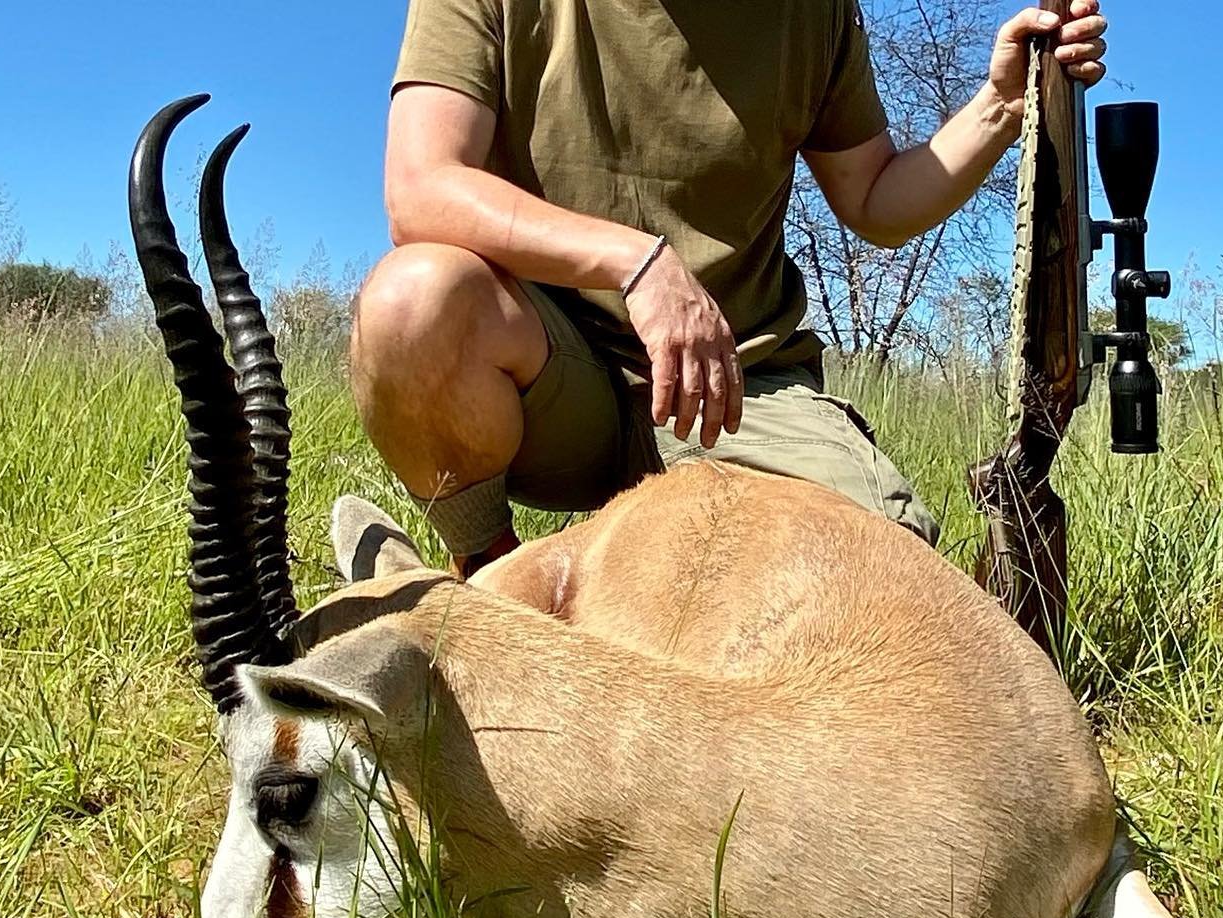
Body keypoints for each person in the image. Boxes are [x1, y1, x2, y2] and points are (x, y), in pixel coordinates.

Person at [352, 1, 1109, 576]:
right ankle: (493, 582)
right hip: (553, 372)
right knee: (411, 303)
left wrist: (1000, 106)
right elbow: (421, 188)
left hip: (735, 384)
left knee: (882, 570)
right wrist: (636, 263)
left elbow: (875, 197)